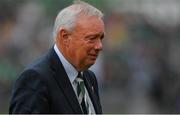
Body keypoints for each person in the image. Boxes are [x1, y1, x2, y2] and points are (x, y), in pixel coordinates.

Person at [9, 0, 105, 114]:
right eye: (91, 38)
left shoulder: (89, 78)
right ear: (65, 37)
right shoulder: (35, 79)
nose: (99, 46)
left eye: (100, 38)